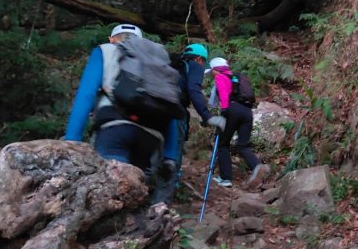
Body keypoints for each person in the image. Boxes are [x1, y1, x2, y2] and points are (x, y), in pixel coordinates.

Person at [63, 24, 180, 186]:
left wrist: (72, 140)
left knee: (110, 188)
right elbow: (170, 106)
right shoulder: (156, 62)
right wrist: (170, 155)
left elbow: (86, 95)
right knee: (134, 192)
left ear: (112, 39)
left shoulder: (106, 51)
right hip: (152, 135)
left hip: (115, 127)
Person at [204, 56, 269, 189]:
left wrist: (224, 111)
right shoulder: (236, 78)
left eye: (212, 72)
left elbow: (223, 94)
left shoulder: (221, 77)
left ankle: (226, 178)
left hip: (232, 110)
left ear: (216, 70)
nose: (212, 75)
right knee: (243, 146)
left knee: (223, 144)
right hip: (247, 111)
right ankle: (257, 167)